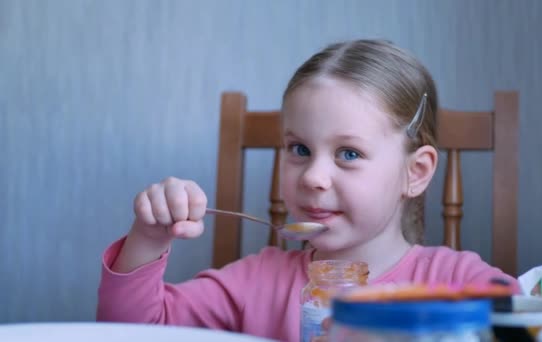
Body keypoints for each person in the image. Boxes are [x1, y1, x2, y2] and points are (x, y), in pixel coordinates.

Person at [97, 39, 519, 342]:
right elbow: (133, 333)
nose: (312, 177)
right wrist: (148, 238)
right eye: (300, 149)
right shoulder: (256, 279)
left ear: (417, 171)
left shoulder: (459, 284)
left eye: (348, 153)